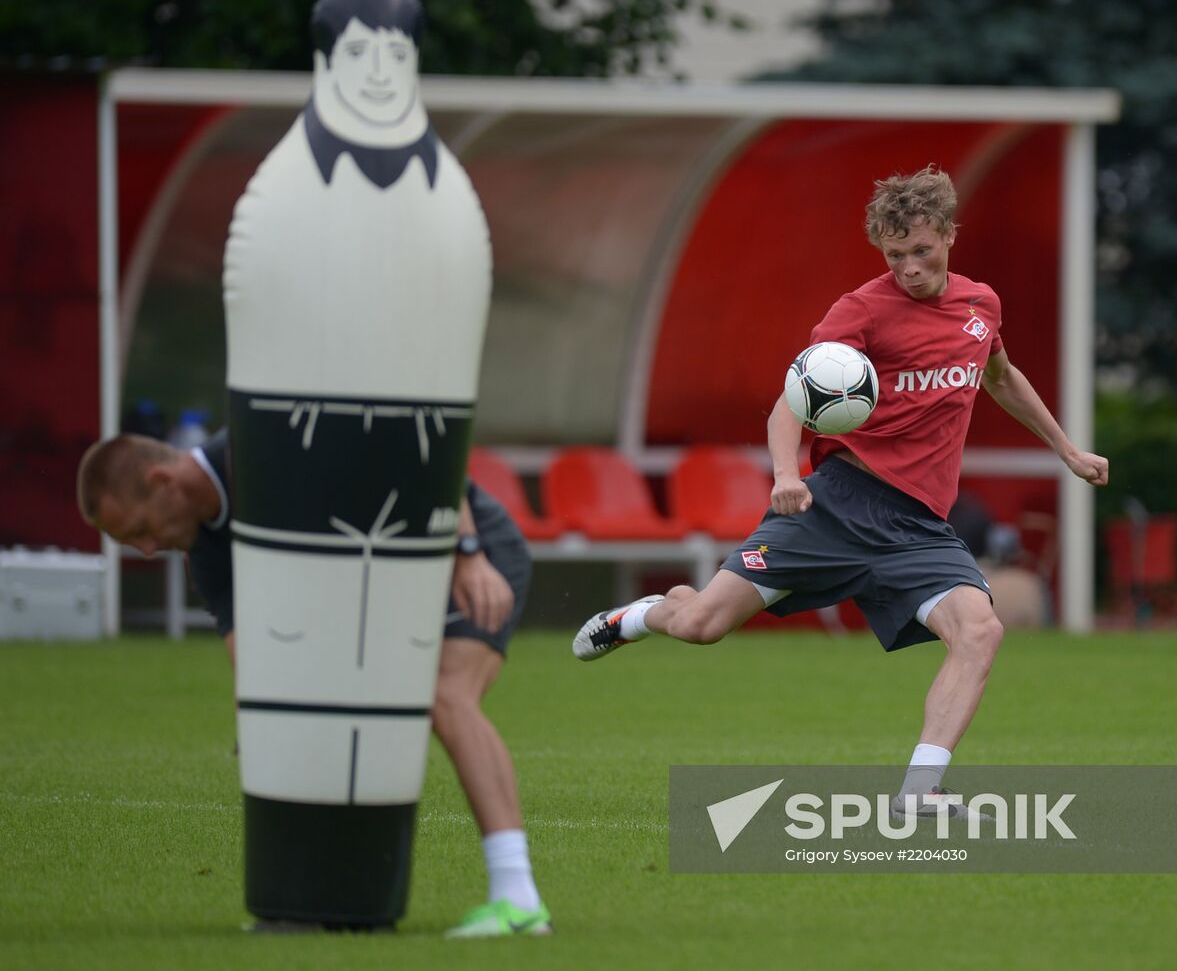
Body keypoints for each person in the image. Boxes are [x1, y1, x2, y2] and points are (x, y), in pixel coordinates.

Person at [573, 166, 1109, 817]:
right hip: (836, 504)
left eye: (920, 250)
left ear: (946, 234)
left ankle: (919, 792)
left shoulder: (979, 306)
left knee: (979, 632)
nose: (909, 268)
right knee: (700, 625)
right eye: (895, 256)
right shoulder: (858, 311)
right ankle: (639, 616)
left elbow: (1000, 377)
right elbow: (788, 406)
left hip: (917, 528)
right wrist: (786, 477)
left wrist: (1066, 449)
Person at [76, 430, 552, 937]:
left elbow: (416, 458)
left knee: (445, 696)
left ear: (162, 481)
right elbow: (250, 652)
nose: (148, 550)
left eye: (141, 529)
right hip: (386, 584)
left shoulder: (266, 446)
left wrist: (470, 552)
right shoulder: (209, 552)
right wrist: (264, 721)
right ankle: (330, 905)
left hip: (461, 550)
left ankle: (517, 899)